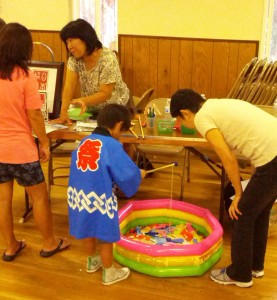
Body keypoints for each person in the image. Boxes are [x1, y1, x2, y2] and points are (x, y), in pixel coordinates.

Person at [170, 89, 277, 288]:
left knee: (241, 215)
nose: (182, 125)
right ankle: (254, 266)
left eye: (180, 120)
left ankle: (240, 274)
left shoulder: (202, 118)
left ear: (185, 113)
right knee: (259, 212)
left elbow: (228, 159)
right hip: (272, 157)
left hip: (272, 160)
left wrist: (238, 193)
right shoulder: (215, 103)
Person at [0, 22, 70, 262]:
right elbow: (34, 115)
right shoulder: (26, 76)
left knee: (3, 200)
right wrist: (43, 143)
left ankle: (10, 246)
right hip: (21, 151)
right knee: (40, 197)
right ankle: (49, 243)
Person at [67, 104, 146, 285]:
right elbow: (127, 174)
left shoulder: (84, 141)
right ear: (118, 125)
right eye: (123, 130)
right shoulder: (111, 145)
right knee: (105, 234)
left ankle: (92, 260)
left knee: (87, 227)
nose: (121, 135)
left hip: (78, 196)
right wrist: (139, 174)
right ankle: (109, 272)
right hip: (99, 197)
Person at [51, 18, 130, 124]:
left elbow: (105, 93)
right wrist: (63, 113)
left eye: (71, 40)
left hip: (117, 109)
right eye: (66, 42)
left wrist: (83, 100)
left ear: (85, 38)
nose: (69, 46)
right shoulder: (74, 59)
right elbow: (69, 86)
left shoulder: (107, 58)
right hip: (92, 110)